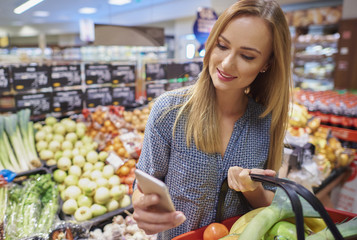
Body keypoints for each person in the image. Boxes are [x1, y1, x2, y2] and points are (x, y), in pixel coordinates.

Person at [132, 0, 292, 239]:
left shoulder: (265, 122)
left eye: (247, 56)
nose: (226, 63)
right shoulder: (170, 111)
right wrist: (143, 207)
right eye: (222, 46)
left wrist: (252, 189)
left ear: (266, 64)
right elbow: (144, 183)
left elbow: (269, 205)